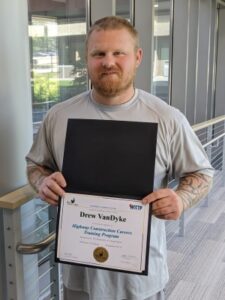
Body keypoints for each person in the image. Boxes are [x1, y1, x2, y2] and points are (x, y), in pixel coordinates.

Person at [26, 16, 214, 300]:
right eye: (98, 53)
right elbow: (35, 164)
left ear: (137, 57)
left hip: (140, 281)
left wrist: (181, 199)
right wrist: (41, 182)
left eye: (119, 53)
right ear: (86, 59)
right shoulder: (59, 116)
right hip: (78, 275)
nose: (108, 62)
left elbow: (202, 173)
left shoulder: (167, 118)